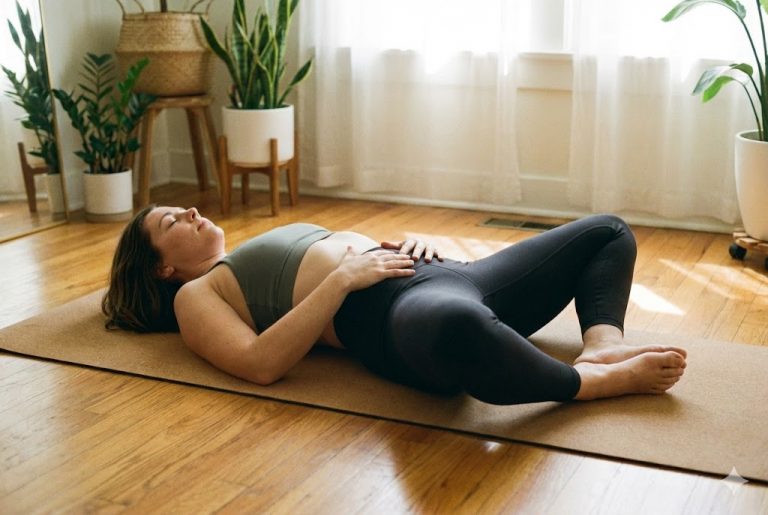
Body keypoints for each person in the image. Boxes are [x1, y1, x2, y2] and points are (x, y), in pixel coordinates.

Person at [102, 205, 687, 405]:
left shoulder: (252, 246)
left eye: (183, 208)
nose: (190, 212)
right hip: (388, 314)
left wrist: (404, 244)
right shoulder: (197, 295)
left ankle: (602, 345)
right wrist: (341, 281)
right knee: (460, 327)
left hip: (444, 273)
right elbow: (259, 364)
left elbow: (342, 253)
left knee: (608, 232)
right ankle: (588, 383)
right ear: (161, 268)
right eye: (171, 222)